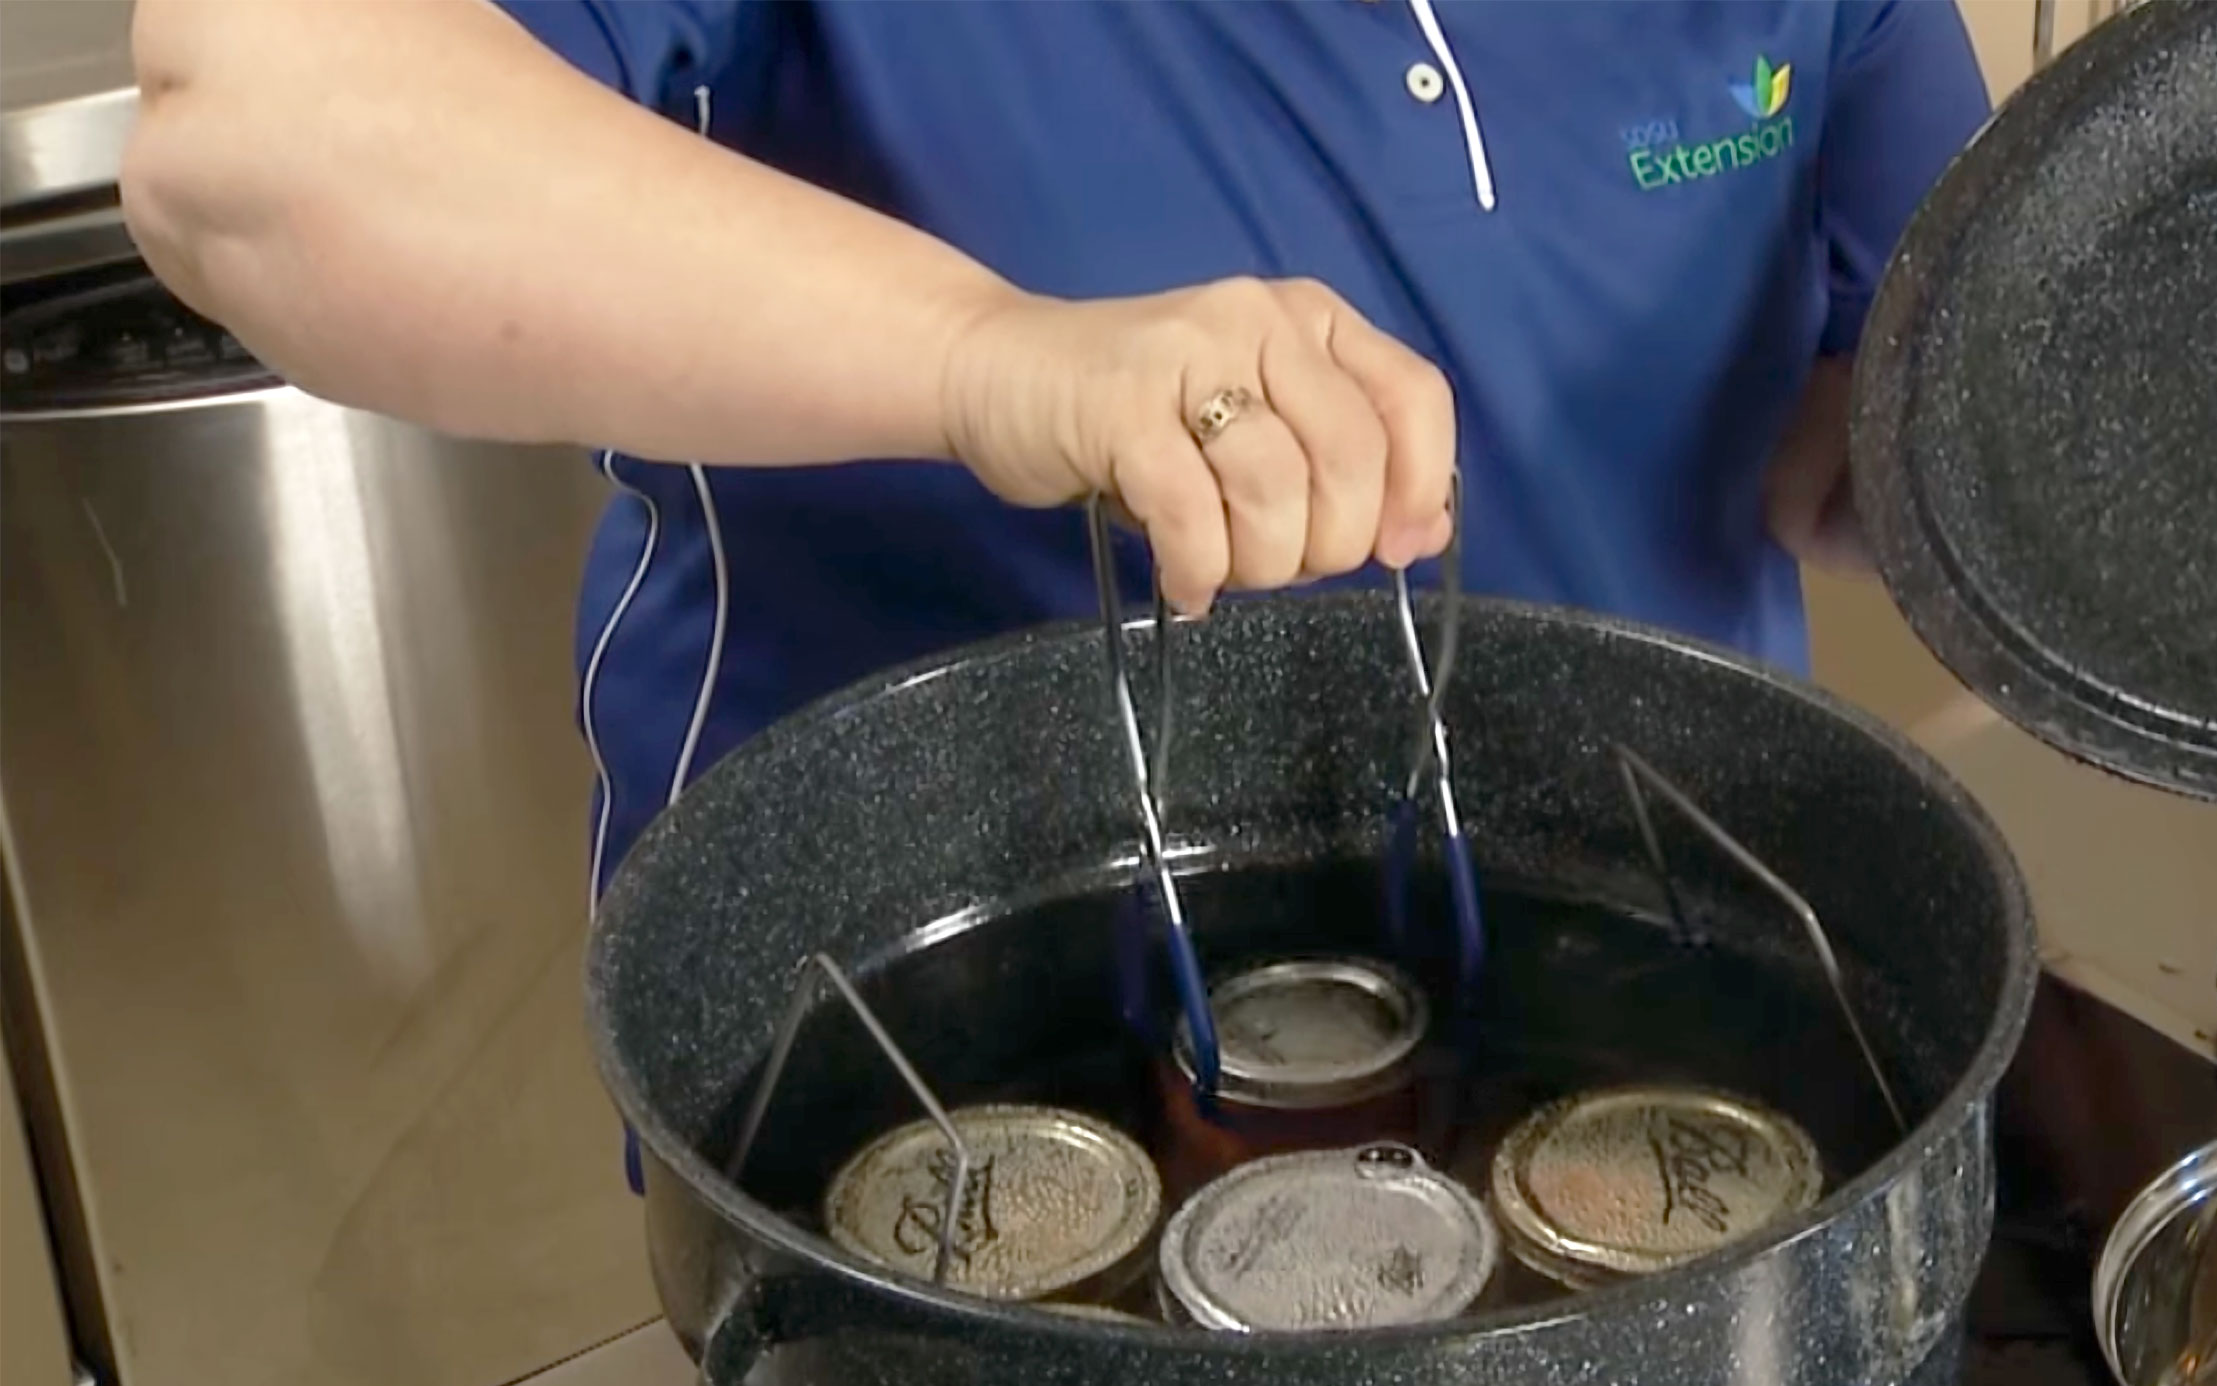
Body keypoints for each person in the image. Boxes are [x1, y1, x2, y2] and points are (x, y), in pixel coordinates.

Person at [123, 0, 1993, 899]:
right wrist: (988, 358)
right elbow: (259, 133)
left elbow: (1891, 429)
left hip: (1656, 1013)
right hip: (952, 1096)